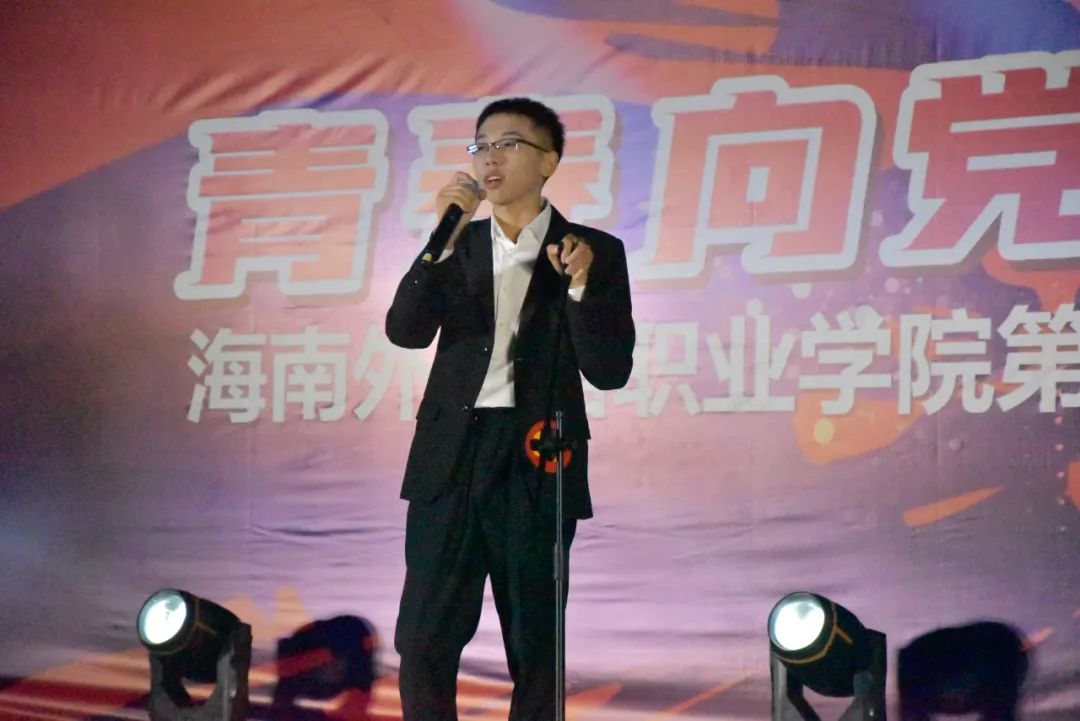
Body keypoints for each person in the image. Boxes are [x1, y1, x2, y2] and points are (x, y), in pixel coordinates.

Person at [385, 96, 635, 721]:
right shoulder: (456, 245)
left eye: (508, 144)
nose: (489, 159)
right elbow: (405, 331)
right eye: (481, 146)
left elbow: (610, 371)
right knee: (423, 638)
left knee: (536, 643)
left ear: (548, 161)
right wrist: (440, 242)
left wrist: (580, 287)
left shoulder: (592, 251)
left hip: (535, 457)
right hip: (450, 458)